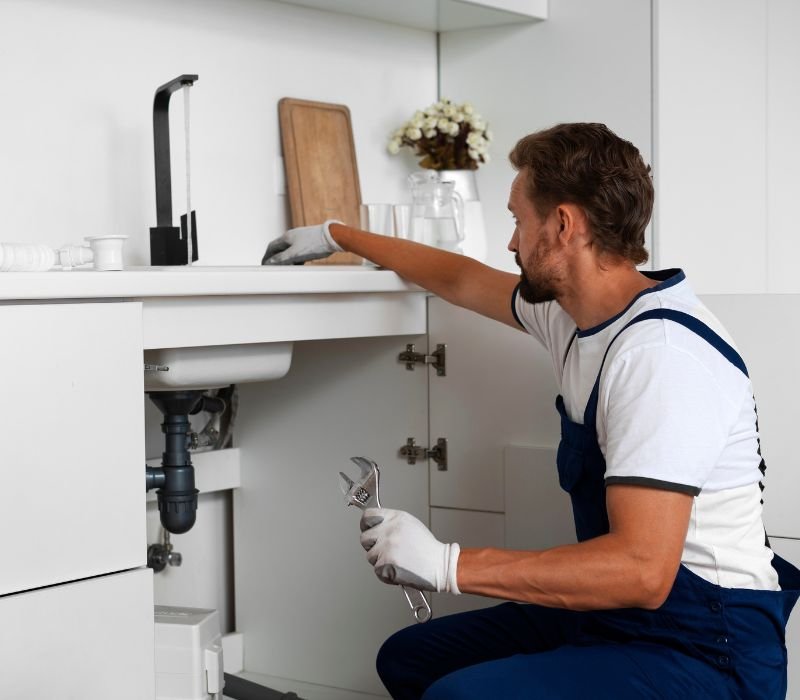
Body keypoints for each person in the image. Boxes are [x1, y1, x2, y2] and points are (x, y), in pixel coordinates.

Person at [263, 122, 800, 699]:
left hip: (704, 647)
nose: (512, 243)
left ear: (564, 224)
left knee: (457, 696)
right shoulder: (573, 315)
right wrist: (336, 235)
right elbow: (459, 277)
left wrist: (447, 564)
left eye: (518, 219)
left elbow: (643, 570)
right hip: (617, 616)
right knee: (412, 660)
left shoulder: (660, 355)